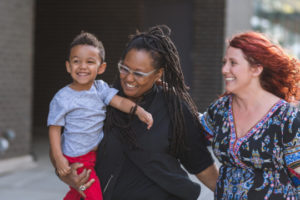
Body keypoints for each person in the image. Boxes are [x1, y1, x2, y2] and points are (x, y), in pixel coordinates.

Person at [51, 25, 219, 200]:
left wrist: (229, 194)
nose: (129, 78)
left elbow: (201, 164)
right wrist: (66, 174)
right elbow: (64, 145)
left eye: (139, 73)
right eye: (124, 69)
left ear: (158, 74)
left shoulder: (174, 108)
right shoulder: (100, 100)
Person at [47, 31, 153, 200]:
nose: (82, 66)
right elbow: (54, 128)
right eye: (76, 62)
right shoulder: (62, 97)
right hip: (77, 157)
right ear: (68, 66)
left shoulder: (100, 89)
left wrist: (138, 110)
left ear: (101, 67)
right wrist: (59, 158)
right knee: (92, 194)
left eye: (90, 62)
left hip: (93, 155)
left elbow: (119, 102)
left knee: (77, 191)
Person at [199, 31, 300, 199]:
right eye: (224, 62)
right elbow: (192, 133)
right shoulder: (220, 109)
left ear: (256, 69)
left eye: (233, 63)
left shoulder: (286, 118)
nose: (224, 70)